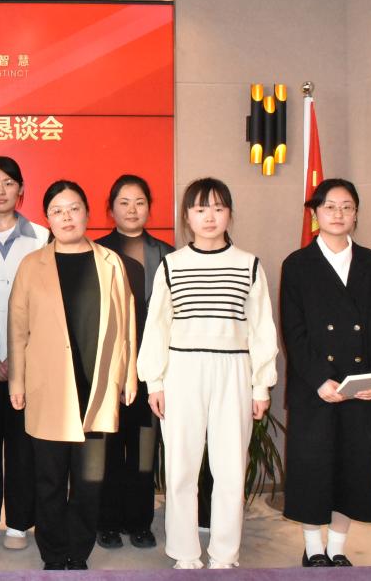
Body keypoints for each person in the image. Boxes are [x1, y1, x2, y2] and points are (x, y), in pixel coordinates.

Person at [138, 177, 278, 570]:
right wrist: (155, 381)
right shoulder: (172, 265)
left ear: (230, 213)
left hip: (234, 369)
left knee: (230, 469)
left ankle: (224, 555)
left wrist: (261, 386)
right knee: (181, 468)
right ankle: (184, 553)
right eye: (201, 209)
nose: (210, 217)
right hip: (183, 369)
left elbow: (261, 328)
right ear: (187, 217)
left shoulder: (249, 265)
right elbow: (157, 327)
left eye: (218, 208)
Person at [8, 180, 138, 570]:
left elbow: (127, 323)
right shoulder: (32, 265)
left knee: (89, 481)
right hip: (48, 388)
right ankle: (52, 553)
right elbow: (17, 329)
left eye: (74, 208)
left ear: (88, 213)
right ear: (47, 218)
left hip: (97, 388)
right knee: (48, 480)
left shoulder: (110, 263)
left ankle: (78, 552)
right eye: (58, 211)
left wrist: (129, 375)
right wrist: (16, 381)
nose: (67, 217)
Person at [280, 178, 371, 568]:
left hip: (360, 388)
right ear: (316, 213)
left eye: (347, 207)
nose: (338, 214)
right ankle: (312, 547)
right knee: (313, 468)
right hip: (315, 387)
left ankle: (337, 547)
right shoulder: (297, 265)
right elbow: (294, 332)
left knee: (354, 468)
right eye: (330, 206)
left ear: (356, 214)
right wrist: (320, 379)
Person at [0, 156, 49, 552]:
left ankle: (19, 522)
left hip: (29, 365)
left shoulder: (43, 237)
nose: (0, 190)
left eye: (9, 183)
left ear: (21, 189)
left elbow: (48, 307)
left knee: (23, 449)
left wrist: (17, 361)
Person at [95, 174, 173, 549]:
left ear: (149, 208)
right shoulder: (96, 251)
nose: (132, 209)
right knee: (107, 446)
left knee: (144, 447)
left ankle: (140, 521)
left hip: (151, 369)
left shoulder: (168, 255)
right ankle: (107, 521)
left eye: (139, 202)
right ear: (110, 209)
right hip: (108, 368)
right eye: (124, 202)